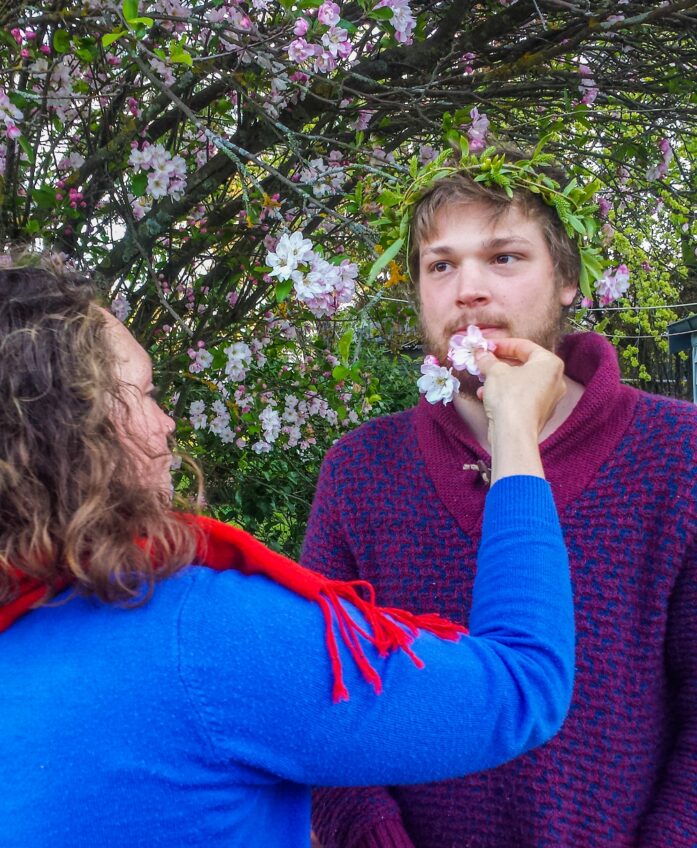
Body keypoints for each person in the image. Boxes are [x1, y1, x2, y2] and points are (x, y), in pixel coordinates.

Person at [0, 258, 574, 848]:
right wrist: (516, 432)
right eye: (145, 394)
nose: (167, 422)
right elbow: (522, 684)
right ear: (81, 427)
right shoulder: (205, 636)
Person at [302, 170, 697, 848]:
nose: (468, 289)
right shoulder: (360, 471)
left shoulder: (676, 454)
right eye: (440, 265)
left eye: (504, 257)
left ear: (566, 279)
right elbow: (325, 700)